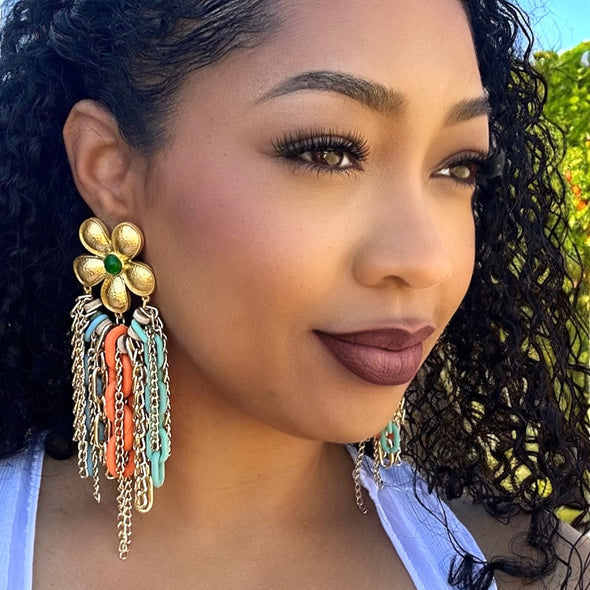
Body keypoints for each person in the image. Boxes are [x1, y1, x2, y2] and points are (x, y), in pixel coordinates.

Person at [0, 0, 588, 588]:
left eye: (459, 167)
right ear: (109, 169)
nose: (425, 260)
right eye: (326, 152)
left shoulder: (535, 572)